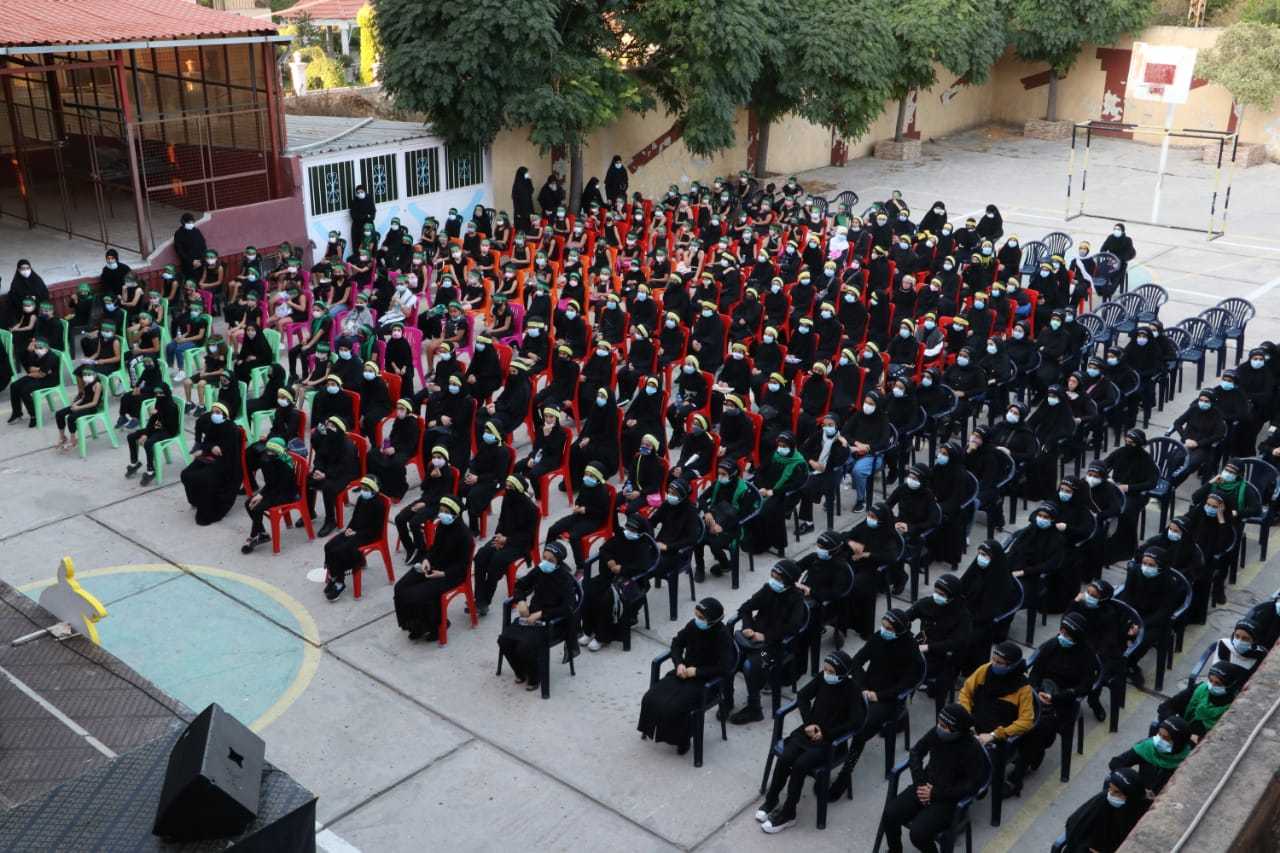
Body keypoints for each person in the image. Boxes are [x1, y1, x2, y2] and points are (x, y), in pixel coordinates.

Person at [756, 650, 867, 834]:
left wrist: (826, 733)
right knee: (785, 757)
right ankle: (772, 799)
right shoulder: (823, 679)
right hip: (808, 732)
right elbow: (803, 696)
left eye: (831, 671)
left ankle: (789, 813)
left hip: (831, 742)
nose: (827, 674)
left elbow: (855, 722)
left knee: (800, 765)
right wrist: (809, 723)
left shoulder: (852, 690)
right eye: (825, 669)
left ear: (842, 673)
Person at [827, 608, 925, 797]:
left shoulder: (911, 653)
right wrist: (862, 687)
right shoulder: (879, 638)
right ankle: (838, 750)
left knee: (861, 726)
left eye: (889, 628)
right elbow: (856, 662)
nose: (884, 630)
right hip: (866, 689)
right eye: (883, 626)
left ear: (900, 630)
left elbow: (905, 685)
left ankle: (845, 774)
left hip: (889, 701)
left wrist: (878, 696)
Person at [1004, 613, 1101, 797]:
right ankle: (1022, 754)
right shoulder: (1052, 646)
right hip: (1039, 694)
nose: (1062, 636)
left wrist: (1056, 698)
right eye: (1062, 631)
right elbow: (1036, 672)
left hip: (1064, 703)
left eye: (1068, 634)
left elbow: (1084, 686)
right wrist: (1036, 690)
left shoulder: (1086, 656)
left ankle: (1016, 778)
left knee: (1038, 728)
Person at [877, 703, 987, 853]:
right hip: (925, 786)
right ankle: (895, 850)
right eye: (939, 723)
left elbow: (972, 785)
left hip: (948, 800)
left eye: (944, 726)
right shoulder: (937, 733)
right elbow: (916, 752)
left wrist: (935, 793)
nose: (939, 728)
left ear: (957, 729)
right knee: (890, 814)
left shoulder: (972, 749)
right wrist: (920, 784)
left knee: (918, 834)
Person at [638, 596, 736, 755]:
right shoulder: (693, 626)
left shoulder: (723, 637)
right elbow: (677, 643)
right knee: (651, 698)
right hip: (683, 673)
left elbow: (724, 667)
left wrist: (697, 672)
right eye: (696, 615)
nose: (697, 620)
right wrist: (679, 663)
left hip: (706, 682)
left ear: (712, 620)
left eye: (701, 617)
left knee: (676, 707)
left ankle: (682, 740)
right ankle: (651, 729)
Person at [727, 560, 808, 724]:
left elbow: (792, 628)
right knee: (728, 657)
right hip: (752, 640)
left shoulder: (796, 600)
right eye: (772, 576)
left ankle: (754, 708)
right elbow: (746, 608)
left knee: (750, 665)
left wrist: (765, 637)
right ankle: (727, 700)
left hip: (774, 647)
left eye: (778, 578)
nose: (773, 580)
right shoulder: (768, 589)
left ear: (788, 580)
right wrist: (748, 627)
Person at [497, 541, 579, 691]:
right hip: (531, 618)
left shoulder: (564, 579)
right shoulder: (540, 570)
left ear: (558, 562)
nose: (545, 563)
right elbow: (520, 585)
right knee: (504, 640)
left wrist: (542, 614)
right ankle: (521, 671)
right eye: (544, 558)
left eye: (551, 560)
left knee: (524, 646)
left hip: (553, 622)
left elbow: (568, 607)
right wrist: (521, 601)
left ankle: (535, 677)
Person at [392, 496, 474, 641]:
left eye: (446, 512)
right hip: (434, 566)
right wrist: (426, 560)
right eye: (441, 510)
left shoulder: (465, 536)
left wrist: (443, 573)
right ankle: (414, 625)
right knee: (400, 587)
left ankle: (435, 626)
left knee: (416, 594)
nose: (442, 514)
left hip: (451, 575)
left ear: (455, 514)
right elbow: (434, 549)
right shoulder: (442, 526)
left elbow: (463, 566)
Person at [957, 641, 1035, 782]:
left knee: (976, 765)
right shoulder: (984, 670)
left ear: (1012, 666)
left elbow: (1026, 721)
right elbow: (965, 693)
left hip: (997, 738)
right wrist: (967, 719)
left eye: (1000, 663)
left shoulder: (1023, 688)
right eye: (993, 659)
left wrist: (994, 735)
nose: (994, 664)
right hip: (972, 726)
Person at [580, 514, 655, 649]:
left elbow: (642, 567)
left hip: (632, 582)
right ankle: (588, 630)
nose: (628, 531)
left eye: (633, 530)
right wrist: (610, 560)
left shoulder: (643, 545)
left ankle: (602, 637)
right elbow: (605, 549)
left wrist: (622, 569)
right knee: (588, 589)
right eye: (628, 528)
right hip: (611, 576)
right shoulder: (621, 537)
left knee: (608, 598)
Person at [1115, 547, 1182, 687]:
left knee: (1144, 639)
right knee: (1116, 626)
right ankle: (1117, 660)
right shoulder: (1135, 572)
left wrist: (1141, 625)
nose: (1146, 567)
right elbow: (1127, 596)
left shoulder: (1169, 582)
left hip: (1154, 621)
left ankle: (1130, 664)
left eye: (1151, 565)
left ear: (1161, 566)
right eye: (1144, 563)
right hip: (1134, 613)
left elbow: (1164, 612)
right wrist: (1131, 619)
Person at [906, 573, 972, 712]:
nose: (937, 596)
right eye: (936, 592)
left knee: (912, 670)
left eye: (942, 594)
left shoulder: (963, 616)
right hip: (923, 645)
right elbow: (906, 617)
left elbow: (957, 642)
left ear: (952, 596)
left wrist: (929, 647)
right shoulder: (928, 603)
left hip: (947, 656)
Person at [957, 539, 1020, 672]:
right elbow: (960, 587)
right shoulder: (976, 569)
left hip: (982, 621)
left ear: (994, 558)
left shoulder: (1001, 580)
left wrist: (965, 617)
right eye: (979, 553)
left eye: (984, 555)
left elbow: (989, 611)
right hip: (966, 612)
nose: (980, 558)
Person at [321, 475, 387, 601]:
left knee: (341, 550)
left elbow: (375, 529)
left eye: (366, 489)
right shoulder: (361, 499)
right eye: (362, 488)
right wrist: (349, 529)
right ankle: (334, 576)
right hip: (355, 531)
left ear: (373, 490)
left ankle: (340, 583)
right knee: (329, 545)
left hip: (369, 535)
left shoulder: (378, 505)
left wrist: (356, 534)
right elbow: (355, 517)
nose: (363, 491)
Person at [1059, 767, 1149, 853]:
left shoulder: (1139, 812)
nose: (1110, 794)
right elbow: (1076, 826)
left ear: (1130, 796)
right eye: (1110, 788)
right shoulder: (1102, 801)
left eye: (1117, 792)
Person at [180, 403, 243, 525]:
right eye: (213, 412)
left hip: (225, 463)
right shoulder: (212, 425)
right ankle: (196, 500)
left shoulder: (232, 429)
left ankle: (207, 509)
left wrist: (215, 449)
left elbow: (230, 452)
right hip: (208, 457)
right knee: (186, 474)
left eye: (218, 413)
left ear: (225, 415)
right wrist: (208, 448)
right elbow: (207, 442)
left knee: (203, 478)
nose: (214, 415)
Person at [746, 431, 808, 555]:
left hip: (783, 494)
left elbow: (796, 484)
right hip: (765, 489)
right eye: (779, 445)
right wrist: (762, 487)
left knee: (766, 512)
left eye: (784, 446)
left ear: (791, 447)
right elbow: (760, 471)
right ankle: (756, 542)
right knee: (748, 507)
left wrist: (773, 492)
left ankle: (773, 544)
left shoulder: (799, 463)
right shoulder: (775, 455)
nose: (781, 448)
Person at [395, 445, 459, 565]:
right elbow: (423, 487)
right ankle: (410, 548)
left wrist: (424, 503)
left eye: (439, 457)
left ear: (445, 458)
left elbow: (443, 497)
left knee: (414, 522)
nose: (436, 460)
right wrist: (430, 477)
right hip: (424, 500)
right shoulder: (431, 467)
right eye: (434, 457)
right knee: (399, 518)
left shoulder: (448, 473)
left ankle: (422, 550)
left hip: (437, 505)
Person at [1157, 661, 1243, 743]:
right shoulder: (1200, 689)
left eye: (1218, 683)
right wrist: (1178, 726)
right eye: (1210, 680)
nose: (1212, 686)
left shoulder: (1231, 708)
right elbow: (1165, 707)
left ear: (1230, 685)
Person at [545, 463, 612, 571]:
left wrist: (586, 510)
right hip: (579, 515)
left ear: (598, 478)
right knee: (553, 529)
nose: (587, 478)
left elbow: (603, 512)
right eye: (586, 474)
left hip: (593, 520)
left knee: (574, 537)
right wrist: (577, 505)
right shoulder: (585, 485)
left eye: (591, 476)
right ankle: (550, 558)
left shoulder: (602, 492)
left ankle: (581, 567)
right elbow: (579, 499)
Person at [1107, 714, 1191, 796]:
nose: (1159, 740)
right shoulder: (1147, 747)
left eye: (1166, 738)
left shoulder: (1188, 759)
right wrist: (1136, 785)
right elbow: (1115, 763)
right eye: (1159, 734)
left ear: (1178, 742)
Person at [241, 438, 299, 553]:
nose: (268, 453)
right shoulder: (269, 460)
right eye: (268, 450)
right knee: (248, 503)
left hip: (286, 494)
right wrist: (261, 494)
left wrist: (262, 495)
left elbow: (280, 487)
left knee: (256, 507)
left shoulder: (285, 466)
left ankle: (254, 536)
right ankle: (262, 533)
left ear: (278, 451)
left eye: (272, 451)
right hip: (274, 490)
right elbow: (271, 483)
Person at [123, 381, 178, 483]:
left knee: (148, 443)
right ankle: (134, 463)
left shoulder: (172, 406)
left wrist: (158, 414)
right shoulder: (159, 402)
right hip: (157, 428)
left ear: (166, 392)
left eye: (160, 393)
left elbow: (169, 426)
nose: (158, 395)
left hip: (168, 431)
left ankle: (150, 470)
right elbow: (152, 421)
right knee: (131, 437)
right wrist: (146, 433)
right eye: (156, 393)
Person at [367, 399, 420, 501]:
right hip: (393, 447)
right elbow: (392, 435)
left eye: (402, 409)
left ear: (408, 410)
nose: (398, 411)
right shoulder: (398, 420)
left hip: (405, 450)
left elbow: (410, 444)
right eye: (398, 408)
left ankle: (399, 490)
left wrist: (395, 449)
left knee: (395, 463)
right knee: (372, 455)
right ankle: (379, 485)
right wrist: (386, 446)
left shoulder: (412, 423)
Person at [8, 336, 59, 426]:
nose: (38, 349)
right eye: (36, 347)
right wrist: (39, 369)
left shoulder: (51, 357)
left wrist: (35, 372)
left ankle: (34, 415)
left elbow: (41, 374)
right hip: (39, 375)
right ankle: (17, 413)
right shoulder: (34, 354)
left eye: (40, 347)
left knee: (24, 390)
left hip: (50, 380)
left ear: (47, 347)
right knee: (14, 385)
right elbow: (30, 368)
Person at [173, 213, 208, 283]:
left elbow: (203, 246)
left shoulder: (196, 231)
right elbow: (179, 251)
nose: (191, 224)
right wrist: (191, 261)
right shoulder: (179, 234)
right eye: (189, 222)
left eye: (192, 222)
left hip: (200, 263)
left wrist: (201, 260)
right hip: (188, 265)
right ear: (183, 223)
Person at [348, 184, 376, 252]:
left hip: (368, 226)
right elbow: (354, 216)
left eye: (361, 192)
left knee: (370, 244)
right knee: (358, 246)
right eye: (358, 192)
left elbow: (373, 213)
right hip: (357, 228)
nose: (360, 194)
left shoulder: (369, 200)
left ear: (365, 191)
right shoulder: (354, 202)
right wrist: (366, 216)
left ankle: (371, 257)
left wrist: (366, 217)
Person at [511, 167, 535, 233]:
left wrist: (529, 180)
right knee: (521, 232)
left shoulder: (526, 183)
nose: (528, 174)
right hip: (520, 214)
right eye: (526, 173)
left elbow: (531, 191)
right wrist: (519, 213)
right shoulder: (517, 185)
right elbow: (516, 200)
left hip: (528, 212)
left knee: (529, 231)